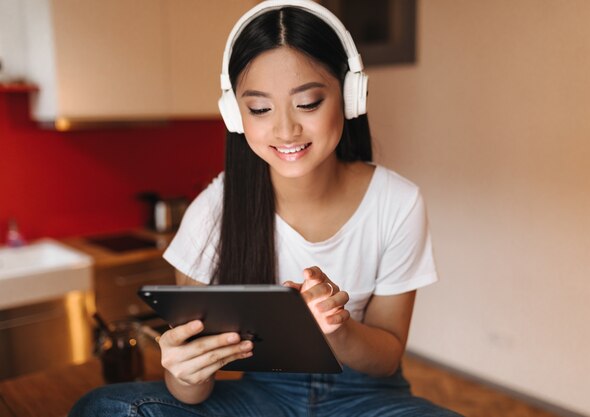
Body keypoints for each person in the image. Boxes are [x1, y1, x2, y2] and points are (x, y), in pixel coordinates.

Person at [69, 1, 463, 416]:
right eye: (259, 109)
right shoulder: (212, 211)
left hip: (366, 398)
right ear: (234, 113)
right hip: (261, 397)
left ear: (350, 96)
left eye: (308, 103)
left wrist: (336, 329)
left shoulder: (397, 202)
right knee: (107, 407)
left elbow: (385, 359)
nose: (285, 130)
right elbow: (191, 397)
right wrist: (187, 374)